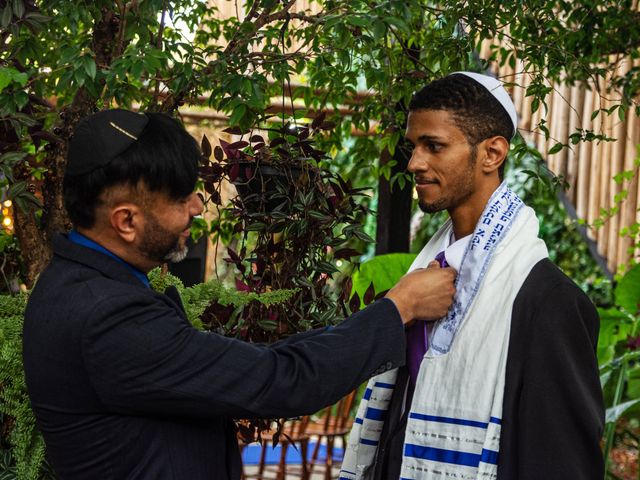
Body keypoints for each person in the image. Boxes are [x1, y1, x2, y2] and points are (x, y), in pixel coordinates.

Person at [22, 109, 457, 480]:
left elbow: (262, 364)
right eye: (181, 198)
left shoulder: (76, 283)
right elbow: (280, 379)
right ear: (126, 221)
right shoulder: (109, 319)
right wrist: (399, 308)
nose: (197, 207)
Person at [340, 72, 604, 480]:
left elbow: (563, 462)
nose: (414, 163)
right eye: (413, 146)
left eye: (434, 146)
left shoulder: (550, 301)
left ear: (492, 153)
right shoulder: (423, 276)